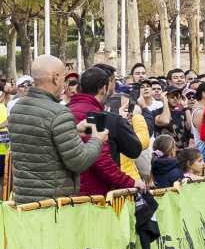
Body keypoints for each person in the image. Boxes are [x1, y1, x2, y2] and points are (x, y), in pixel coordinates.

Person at [8, 55, 105, 204]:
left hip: (24, 201)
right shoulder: (59, 113)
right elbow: (79, 161)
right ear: (56, 77)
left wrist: (73, 129)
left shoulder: (17, 109)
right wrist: (97, 139)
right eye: (64, 78)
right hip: (53, 205)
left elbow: (41, 141)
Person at [68, 67, 139, 195]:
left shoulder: (64, 111)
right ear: (103, 88)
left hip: (66, 193)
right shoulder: (94, 115)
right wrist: (130, 182)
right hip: (91, 196)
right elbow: (101, 160)